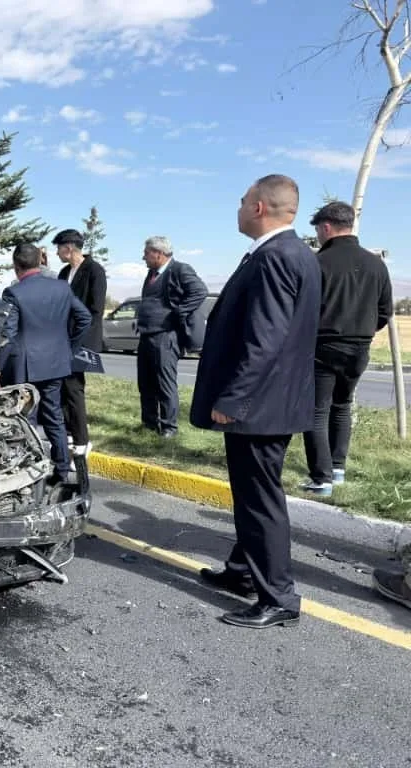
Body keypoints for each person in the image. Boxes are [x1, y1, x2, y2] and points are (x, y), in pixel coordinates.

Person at [190, 173, 321, 630]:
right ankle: (244, 571)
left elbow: (265, 339)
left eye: (244, 200)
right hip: (273, 401)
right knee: (253, 493)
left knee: (260, 499)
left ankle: (279, 597)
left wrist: (234, 398)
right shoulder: (294, 254)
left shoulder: (275, 257)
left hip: (259, 405)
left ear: (260, 208)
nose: (239, 207)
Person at [300, 201, 393, 496]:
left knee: (315, 411)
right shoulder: (376, 264)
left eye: (318, 229)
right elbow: (384, 311)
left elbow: (302, 310)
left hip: (323, 345)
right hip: (359, 348)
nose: (317, 235)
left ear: (326, 227)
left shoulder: (317, 263)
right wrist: (362, 333)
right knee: (342, 406)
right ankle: (337, 469)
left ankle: (321, 478)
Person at [0, 244, 91, 483]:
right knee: (54, 416)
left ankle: (28, 471)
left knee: (25, 420)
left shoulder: (14, 292)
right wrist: (70, 346)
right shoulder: (61, 287)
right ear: (40, 261)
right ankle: (60, 471)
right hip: (56, 363)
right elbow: (84, 318)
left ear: (16, 266)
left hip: (25, 367)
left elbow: (7, 335)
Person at [135, 235, 208, 437]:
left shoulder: (179, 269)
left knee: (164, 383)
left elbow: (200, 291)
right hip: (146, 335)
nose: (143, 257)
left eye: (146, 253)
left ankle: (169, 427)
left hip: (166, 337)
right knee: (146, 383)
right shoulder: (151, 274)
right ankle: (149, 424)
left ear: (158, 254)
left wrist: (178, 312)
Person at [53, 228, 108, 454]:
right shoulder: (64, 272)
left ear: (69, 248)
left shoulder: (95, 271)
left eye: (58, 248)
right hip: (61, 339)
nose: (57, 253)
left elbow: (96, 309)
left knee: (74, 388)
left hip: (81, 339)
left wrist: (77, 337)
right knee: (63, 388)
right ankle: (67, 433)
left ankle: (81, 440)